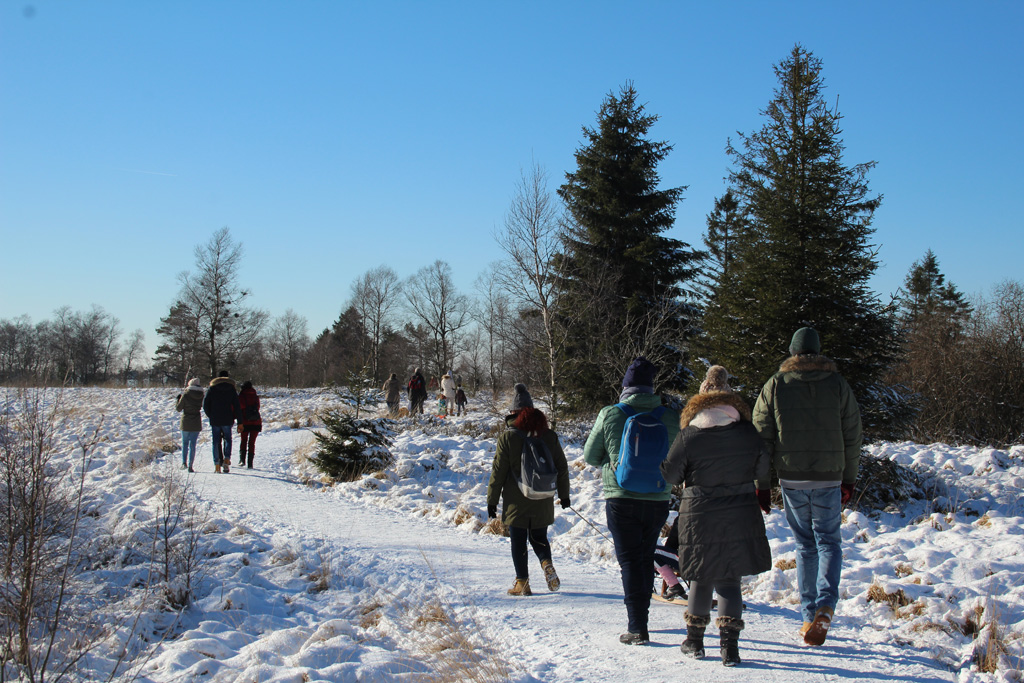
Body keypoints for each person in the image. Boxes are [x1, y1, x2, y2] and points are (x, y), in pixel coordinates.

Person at [753, 327, 862, 646]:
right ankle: (826, 606)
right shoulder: (838, 385)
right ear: (817, 351)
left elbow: (762, 437)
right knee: (829, 540)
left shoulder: (776, 384)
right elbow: (853, 434)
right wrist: (849, 478)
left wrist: (762, 484)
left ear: (792, 352)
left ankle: (807, 615)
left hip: (792, 476)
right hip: (830, 475)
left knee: (805, 544)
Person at [661, 365, 772, 666]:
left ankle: (694, 642)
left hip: (699, 512)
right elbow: (763, 470)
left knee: (701, 575)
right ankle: (730, 648)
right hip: (739, 510)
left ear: (701, 400)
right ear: (730, 401)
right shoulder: (747, 433)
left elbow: (671, 474)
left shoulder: (690, 436)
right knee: (729, 578)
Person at [583, 357, 681, 645]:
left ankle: (637, 626)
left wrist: (612, 461)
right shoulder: (670, 417)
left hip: (621, 497)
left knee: (630, 562)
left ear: (625, 386)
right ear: (651, 388)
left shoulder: (611, 414)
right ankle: (641, 621)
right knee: (645, 555)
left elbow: (590, 456)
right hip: (658, 499)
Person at [487, 383, 571, 596]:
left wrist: (492, 500)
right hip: (543, 496)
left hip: (517, 499)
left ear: (514, 412)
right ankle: (545, 563)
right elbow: (562, 468)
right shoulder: (549, 436)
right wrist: (564, 495)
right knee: (539, 537)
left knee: (518, 540)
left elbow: (498, 471)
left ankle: (522, 584)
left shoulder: (508, 437)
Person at [203, 370, 241, 473]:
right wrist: (239, 421)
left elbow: (205, 404)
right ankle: (227, 459)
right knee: (227, 439)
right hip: (227, 418)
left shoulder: (212, 389)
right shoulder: (231, 389)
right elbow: (237, 406)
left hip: (215, 418)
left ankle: (217, 465)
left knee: (216, 441)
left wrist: (210, 415)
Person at [175, 378, 204, 472]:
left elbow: (179, 408)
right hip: (196, 421)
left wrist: (177, 400)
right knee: (193, 445)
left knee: (185, 443)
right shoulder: (201, 395)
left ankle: (184, 463)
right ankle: (191, 465)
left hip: (186, 420)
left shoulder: (186, 394)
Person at [237, 380, 262, 469]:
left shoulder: (241, 396)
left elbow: (240, 407)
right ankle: (250, 463)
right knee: (252, 443)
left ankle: (242, 460)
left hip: (245, 421)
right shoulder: (255, 396)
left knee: (243, 440)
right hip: (256, 422)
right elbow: (258, 407)